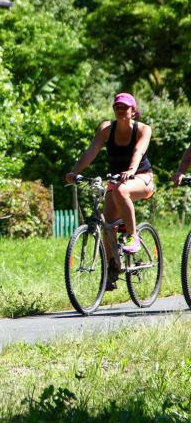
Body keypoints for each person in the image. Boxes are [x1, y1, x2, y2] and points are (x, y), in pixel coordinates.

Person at [65, 93, 153, 289]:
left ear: (133, 111)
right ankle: (111, 269)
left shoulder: (143, 129)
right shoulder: (106, 129)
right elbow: (91, 152)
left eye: (125, 107)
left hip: (141, 178)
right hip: (116, 180)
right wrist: (75, 172)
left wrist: (130, 171)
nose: (121, 111)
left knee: (122, 191)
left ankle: (132, 235)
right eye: (117, 107)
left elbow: (139, 151)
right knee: (107, 224)